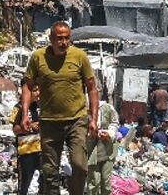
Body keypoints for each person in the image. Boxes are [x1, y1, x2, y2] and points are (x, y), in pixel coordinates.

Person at [21, 21, 99, 195]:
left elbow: (92, 89)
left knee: (79, 166)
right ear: (51, 39)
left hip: (76, 120)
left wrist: (93, 119)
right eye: (59, 38)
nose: (63, 42)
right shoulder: (38, 57)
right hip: (49, 122)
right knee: (50, 172)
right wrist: (25, 114)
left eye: (67, 38)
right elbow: (27, 86)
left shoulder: (80, 56)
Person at [85, 84, 120, 195]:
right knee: (93, 182)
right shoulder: (83, 110)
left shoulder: (107, 108)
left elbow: (114, 122)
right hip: (91, 152)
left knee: (106, 181)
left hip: (107, 151)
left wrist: (109, 134)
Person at [11, 81, 42, 195]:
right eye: (34, 91)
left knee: (44, 181)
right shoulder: (18, 107)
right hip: (26, 152)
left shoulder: (39, 107)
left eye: (39, 90)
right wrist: (30, 126)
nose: (38, 93)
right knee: (25, 182)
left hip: (41, 150)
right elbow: (15, 130)